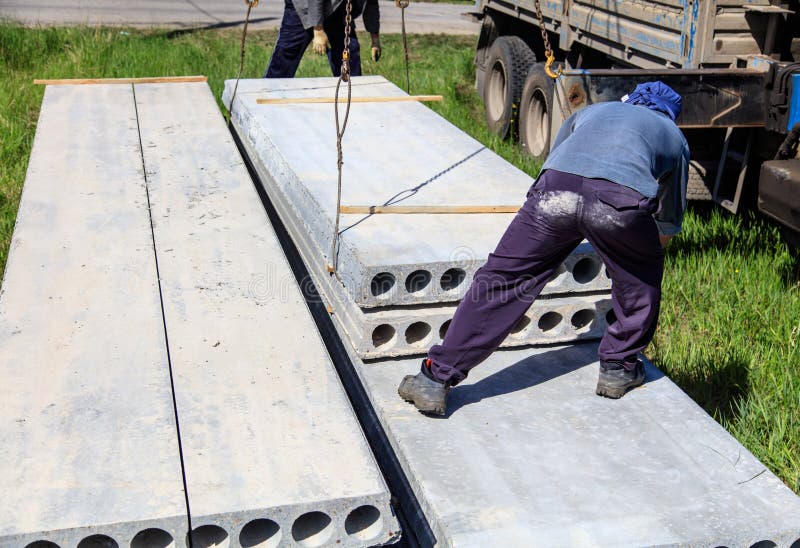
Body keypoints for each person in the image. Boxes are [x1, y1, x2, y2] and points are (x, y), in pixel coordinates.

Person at [398, 81, 690, 416]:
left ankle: (435, 378)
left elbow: (558, 159)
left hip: (554, 194)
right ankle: (618, 368)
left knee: (502, 280)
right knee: (640, 280)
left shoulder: (595, 111)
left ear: (631, 100)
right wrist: (633, 257)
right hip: (619, 204)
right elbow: (667, 222)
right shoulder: (673, 136)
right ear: (670, 114)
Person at [265, 0, 380, 78]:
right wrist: (318, 30)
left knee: (349, 55)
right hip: (305, 6)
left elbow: (371, 3)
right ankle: (270, 91)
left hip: (337, 9)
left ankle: (350, 97)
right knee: (286, 54)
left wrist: (375, 39)